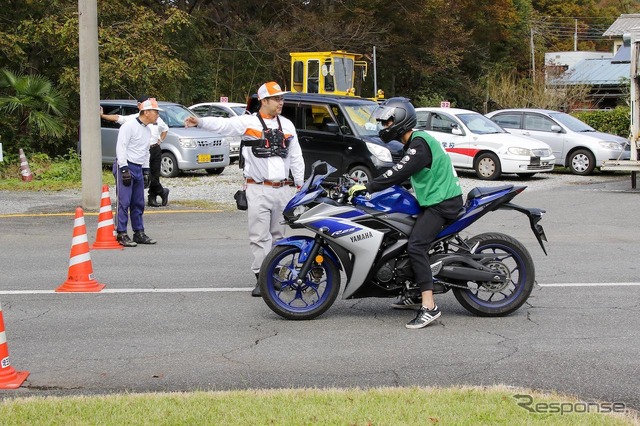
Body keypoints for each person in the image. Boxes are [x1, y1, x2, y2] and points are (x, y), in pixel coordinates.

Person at [348, 97, 463, 329]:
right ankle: (414, 292)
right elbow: (414, 175)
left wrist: (368, 186)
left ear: (400, 120)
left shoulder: (419, 144)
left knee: (416, 246)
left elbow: (397, 172)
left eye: (387, 122)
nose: (384, 127)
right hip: (433, 199)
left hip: (442, 203)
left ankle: (429, 306)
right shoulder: (414, 143)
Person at [184, 82, 305, 297]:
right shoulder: (248, 122)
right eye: (276, 99)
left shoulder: (287, 125)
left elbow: (296, 157)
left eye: (281, 99)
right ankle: (261, 277)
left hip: (283, 189)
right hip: (258, 188)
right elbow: (223, 125)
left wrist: (299, 185)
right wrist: (200, 121)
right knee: (259, 236)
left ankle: (274, 273)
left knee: (278, 235)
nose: (281, 102)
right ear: (264, 101)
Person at [100, 96, 170, 207]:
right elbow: (118, 118)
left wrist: (160, 140)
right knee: (146, 177)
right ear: (141, 107)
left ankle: (152, 198)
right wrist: (103, 116)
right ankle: (162, 191)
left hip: (154, 149)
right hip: (139, 153)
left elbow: (165, 129)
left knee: (154, 175)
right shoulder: (132, 120)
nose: (157, 114)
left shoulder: (157, 119)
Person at [113, 98, 162, 247]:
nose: (157, 115)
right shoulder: (129, 126)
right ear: (146, 112)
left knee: (138, 202)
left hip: (139, 167)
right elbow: (121, 147)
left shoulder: (148, 130)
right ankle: (121, 232)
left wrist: (146, 170)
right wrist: (123, 168)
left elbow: (146, 151)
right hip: (126, 165)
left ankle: (138, 232)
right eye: (156, 112)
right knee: (124, 201)